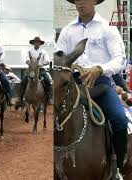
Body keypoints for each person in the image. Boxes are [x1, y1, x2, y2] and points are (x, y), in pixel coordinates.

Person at [56, 0, 128, 178]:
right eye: (78, 0)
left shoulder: (107, 28)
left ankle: (117, 165)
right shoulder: (67, 31)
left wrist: (100, 69)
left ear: (95, 2)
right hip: (73, 84)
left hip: (101, 83)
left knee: (119, 119)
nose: (81, 2)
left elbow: (120, 59)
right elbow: (58, 58)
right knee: (56, 114)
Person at [19, 36, 52, 104]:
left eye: (38, 42)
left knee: (47, 81)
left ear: (40, 44)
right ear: (33, 43)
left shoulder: (44, 52)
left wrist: (41, 64)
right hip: (30, 69)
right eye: (35, 42)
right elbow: (26, 59)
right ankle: (21, 98)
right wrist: (30, 63)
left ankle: (49, 97)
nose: (37, 43)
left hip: (41, 69)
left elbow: (47, 61)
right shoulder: (29, 51)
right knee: (23, 81)